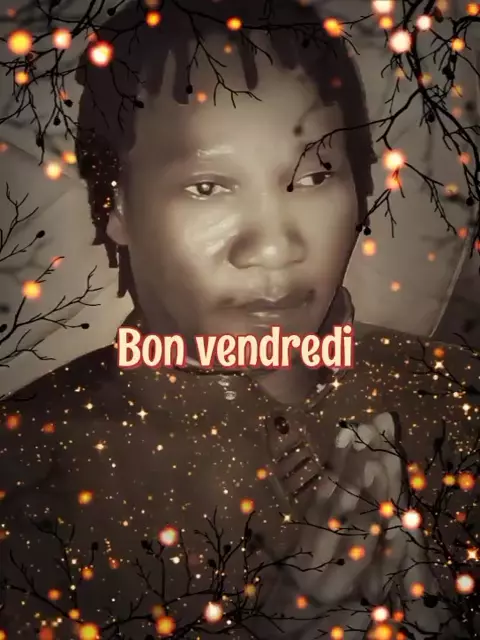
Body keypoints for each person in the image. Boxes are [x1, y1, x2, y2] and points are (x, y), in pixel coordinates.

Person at [0, 1, 477, 638]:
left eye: (315, 176)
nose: (274, 248)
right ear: (116, 205)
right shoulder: (27, 462)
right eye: (208, 187)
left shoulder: (455, 397)